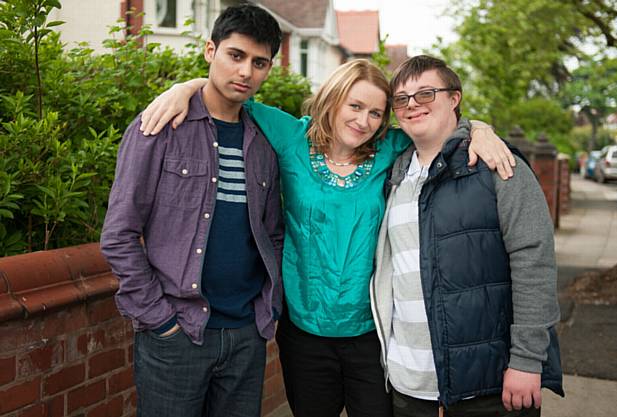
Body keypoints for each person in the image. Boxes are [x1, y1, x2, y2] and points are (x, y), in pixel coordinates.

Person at [139, 55, 515, 417]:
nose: (364, 120)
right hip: (304, 331)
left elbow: (439, 127)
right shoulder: (292, 137)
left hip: (370, 332)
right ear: (333, 100)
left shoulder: (389, 148)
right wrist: (185, 88)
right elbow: (231, 96)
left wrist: (481, 130)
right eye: (355, 106)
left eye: (375, 113)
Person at [100, 5, 284, 417]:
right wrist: (159, 320)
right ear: (210, 50)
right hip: (177, 333)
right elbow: (119, 233)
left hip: (244, 336)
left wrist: (266, 311)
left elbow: (271, 234)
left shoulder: (264, 142)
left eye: (259, 63)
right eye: (235, 56)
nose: (246, 73)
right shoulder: (160, 126)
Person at [369, 55, 564, 417]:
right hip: (407, 384)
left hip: (488, 385)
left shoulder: (498, 166)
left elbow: (534, 260)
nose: (412, 105)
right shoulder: (393, 177)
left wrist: (527, 360)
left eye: (425, 94)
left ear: (454, 98)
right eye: (401, 99)